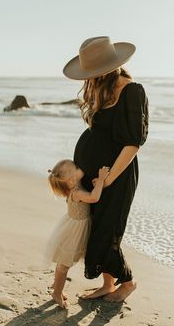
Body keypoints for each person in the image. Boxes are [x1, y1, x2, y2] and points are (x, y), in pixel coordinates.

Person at [63, 36, 149, 302]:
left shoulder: (131, 90)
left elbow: (133, 142)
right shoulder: (100, 88)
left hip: (117, 175)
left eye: (94, 73)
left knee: (108, 231)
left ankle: (128, 282)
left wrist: (109, 177)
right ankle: (107, 285)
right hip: (94, 176)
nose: (90, 79)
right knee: (95, 228)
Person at [45, 159, 110, 308]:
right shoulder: (77, 192)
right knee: (65, 264)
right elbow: (94, 197)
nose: (79, 168)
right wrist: (101, 180)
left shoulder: (73, 186)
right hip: (75, 232)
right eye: (75, 167)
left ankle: (57, 286)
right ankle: (56, 293)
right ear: (71, 179)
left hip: (73, 227)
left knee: (63, 262)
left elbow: (83, 170)